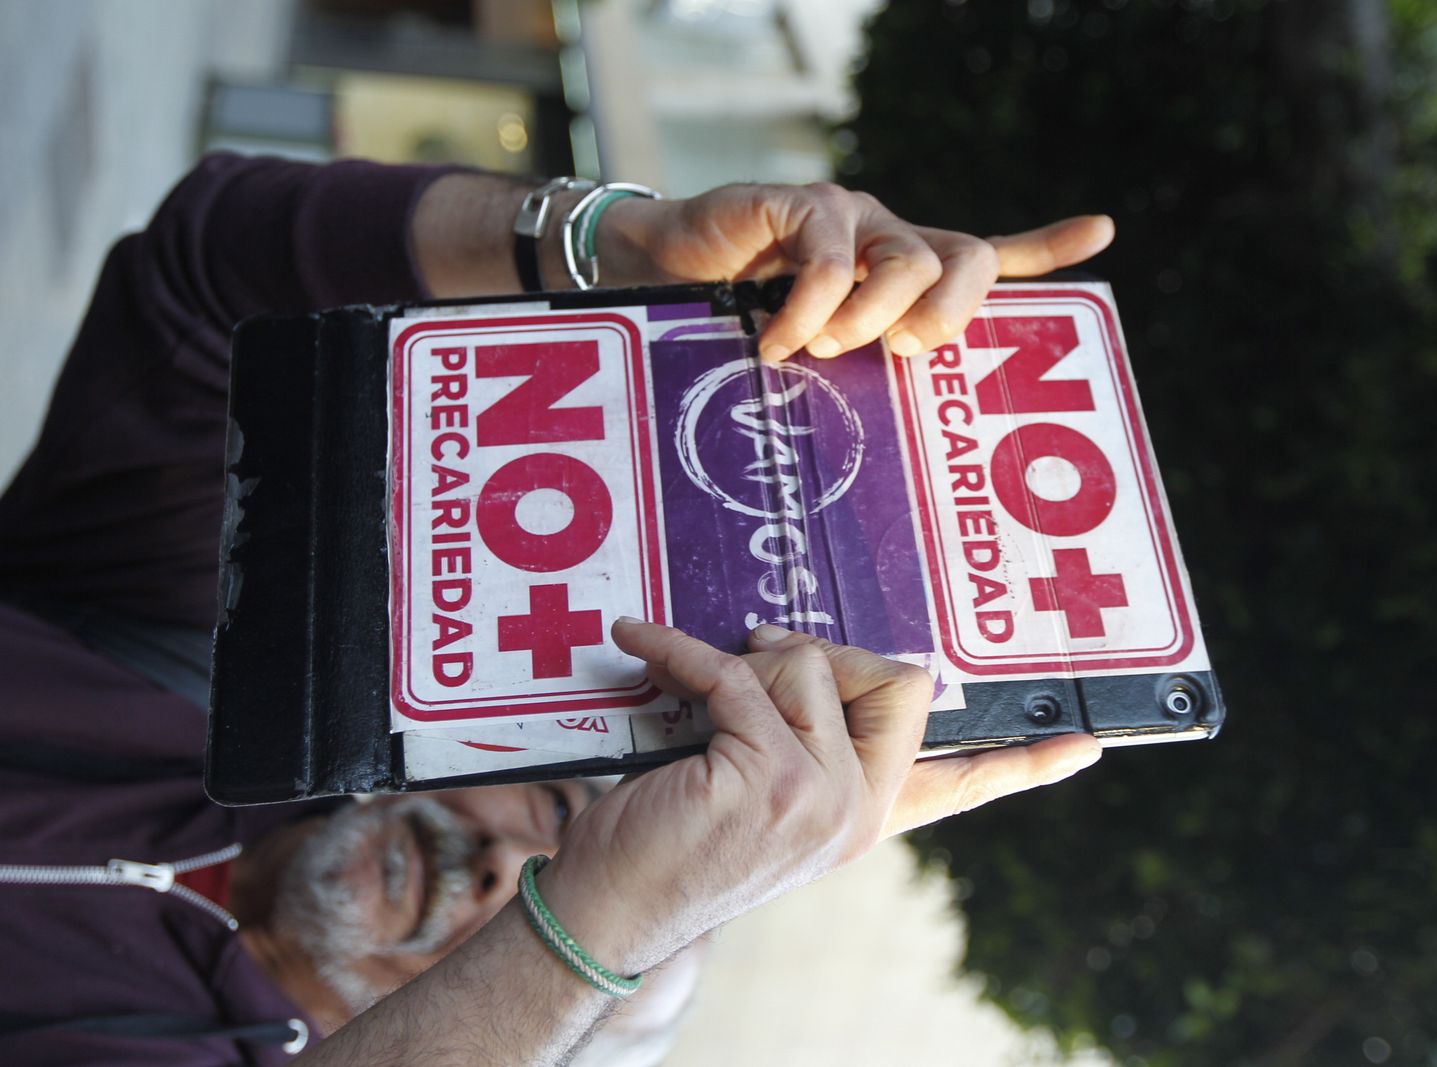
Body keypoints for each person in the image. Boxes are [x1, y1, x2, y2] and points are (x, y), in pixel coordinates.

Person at [0, 153, 1112, 1066]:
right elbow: (200, 278)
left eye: (541, 905)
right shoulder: (203, 672)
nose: (496, 872)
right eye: (546, 815)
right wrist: (596, 246)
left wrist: (593, 932)